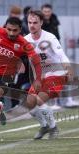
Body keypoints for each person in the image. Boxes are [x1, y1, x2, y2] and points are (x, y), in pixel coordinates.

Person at [24, 10, 72, 139]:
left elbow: (61, 55)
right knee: (29, 104)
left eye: (35, 22)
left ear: (41, 23)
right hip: (41, 77)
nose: (32, 25)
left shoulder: (49, 37)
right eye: (29, 22)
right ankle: (45, 126)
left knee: (39, 100)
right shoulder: (25, 40)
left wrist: (68, 69)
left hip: (56, 74)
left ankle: (53, 127)